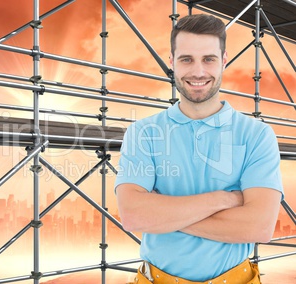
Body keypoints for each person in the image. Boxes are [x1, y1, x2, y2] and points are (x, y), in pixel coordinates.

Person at [115, 14, 284, 284]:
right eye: (186, 59)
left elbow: (259, 226)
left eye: (208, 59)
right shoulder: (143, 132)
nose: (198, 72)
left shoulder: (257, 134)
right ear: (172, 62)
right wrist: (225, 199)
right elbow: (134, 216)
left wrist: (163, 216)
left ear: (224, 60)